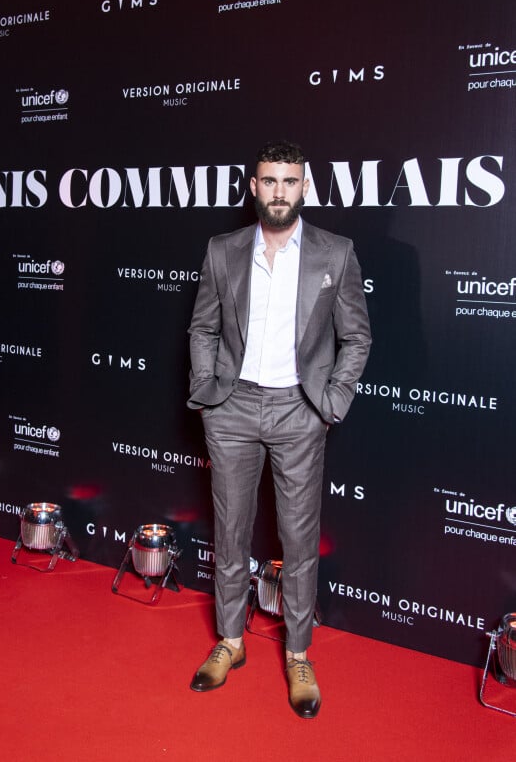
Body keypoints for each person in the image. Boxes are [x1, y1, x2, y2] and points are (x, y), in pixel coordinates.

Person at [187, 141, 371, 718]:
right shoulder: (223, 250)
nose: (279, 193)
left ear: (305, 187)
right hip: (233, 408)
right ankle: (231, 641)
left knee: (298, 539)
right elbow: (203, 328)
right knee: (231, 530)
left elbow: (356, 337)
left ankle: (297, 654)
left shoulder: (335, 254)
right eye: (269, 182)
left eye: (289, 182)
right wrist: (208, 393)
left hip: (299, 410)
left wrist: (330, 401)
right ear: (254, 187)